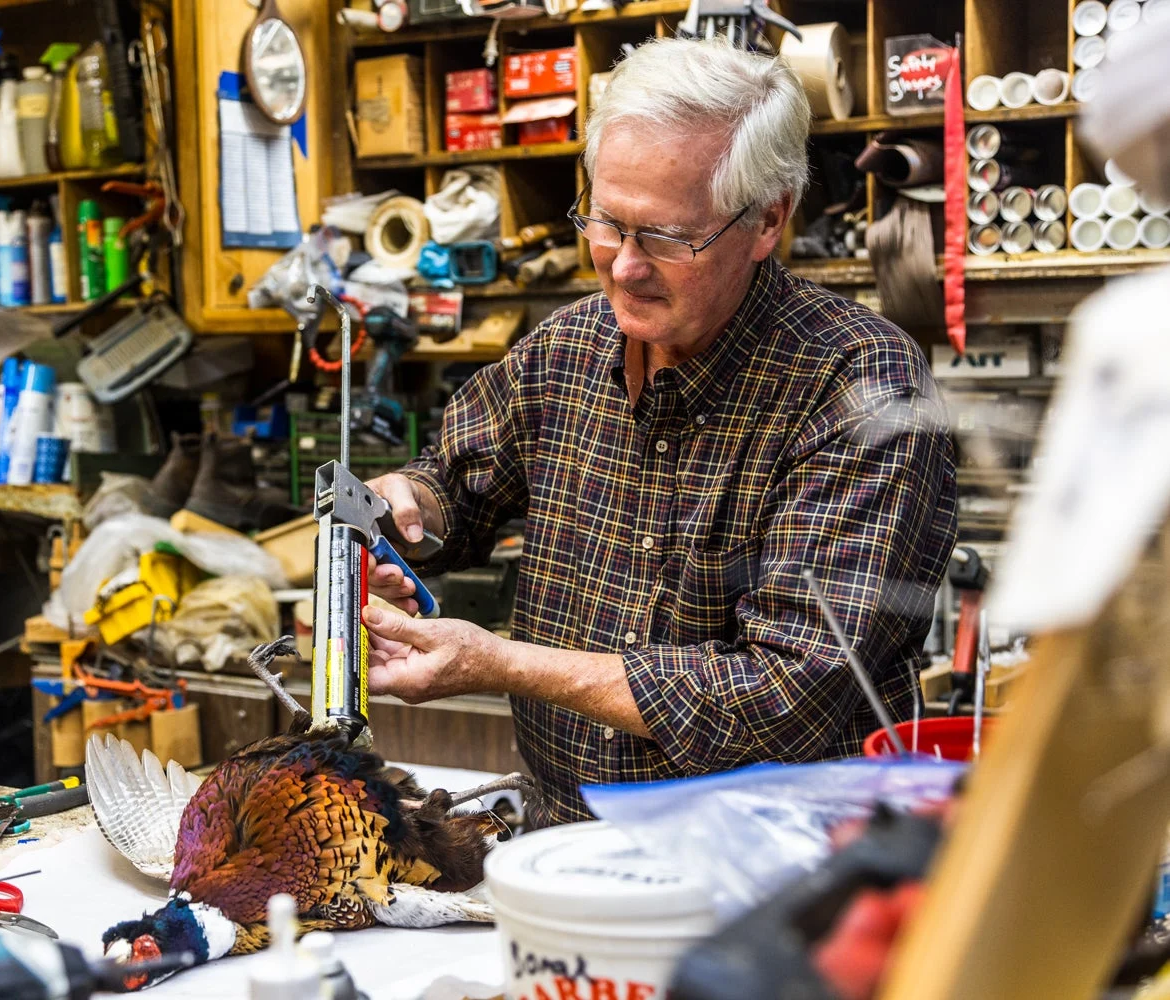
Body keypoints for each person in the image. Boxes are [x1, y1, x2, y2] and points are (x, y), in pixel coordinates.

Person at [361, 37, 958, 826]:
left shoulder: (857, 386)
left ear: (766, 219)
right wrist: (406, 508)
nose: (622, 265)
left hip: (778, 876)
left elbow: (788, 693)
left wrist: (500, 663)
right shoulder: (568, 346)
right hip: (565, 846)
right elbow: (452, 485)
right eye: (606, 222)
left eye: (667, 237)